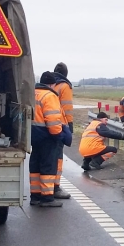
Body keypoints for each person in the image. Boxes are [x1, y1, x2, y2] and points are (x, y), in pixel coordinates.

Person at [30, 71, 72, 207]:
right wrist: (58, 135)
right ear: (52, 84)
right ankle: (47, 198)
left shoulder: (32, 93)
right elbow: (53, 119)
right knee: (48, 166)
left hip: (33, 135)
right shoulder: (50, 96)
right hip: (47, 136)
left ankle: (35, 196)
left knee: (35, 165)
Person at [51, 62, 74, 199]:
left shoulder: (50, 84)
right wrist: (69, 126)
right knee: (58, 157)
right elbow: (67, 108)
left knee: (47, 157)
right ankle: (55, 187)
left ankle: (43, 189)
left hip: (46, 124)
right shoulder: (65, 86)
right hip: (59, 125)